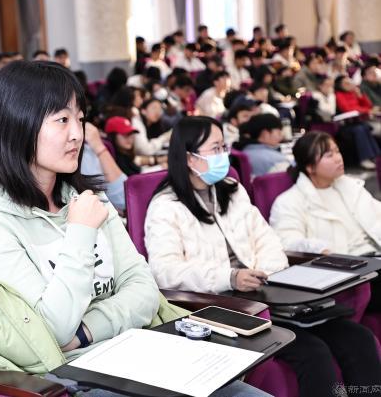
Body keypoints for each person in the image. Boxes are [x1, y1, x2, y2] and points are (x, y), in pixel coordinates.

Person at [0, 60, 267, 397]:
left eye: (80, 118)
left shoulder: (88, 199)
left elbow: (145, 290)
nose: (78, 133)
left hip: (140, 349)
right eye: (62, 120)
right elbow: (52, 331)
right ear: (19, 125)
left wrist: (87, 330)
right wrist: (80, 232)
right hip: (76, 378)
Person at [144, 116, 381, 397]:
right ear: (189, 158)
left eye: (224, 147)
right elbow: (165, 271)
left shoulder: (232, 191)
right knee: (313, 353)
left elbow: (268, 241)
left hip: (268, 296)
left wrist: (265, 275)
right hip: (220, 307)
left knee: (357, 338)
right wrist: (230, 278)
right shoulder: (166, 207)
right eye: (215, 149)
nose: (224, 155)